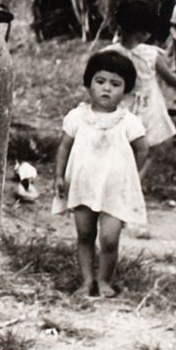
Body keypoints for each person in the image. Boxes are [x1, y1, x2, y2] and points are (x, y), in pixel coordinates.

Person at [53, 50, 149, 299]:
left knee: (109, 238)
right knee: (85, 234)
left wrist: (129, 176)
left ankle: (104, 279)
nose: (107, 89)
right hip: (83, 185)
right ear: (89, 84)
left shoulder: (128, 122)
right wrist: (58, 176)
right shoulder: (78, 117)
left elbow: (142, 149)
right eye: (101, 81)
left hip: (114, 188)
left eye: (115, 84)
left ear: (126, 90)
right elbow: (64, 146)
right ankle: (87, 281)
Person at [114, 0, 176, 158]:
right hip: (148, 107)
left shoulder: (110, 53)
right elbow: (168, 78)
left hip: (121, 104)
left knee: (120, 143)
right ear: (144, 33)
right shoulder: (152, 55)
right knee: (149, 147)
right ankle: (137, 177)